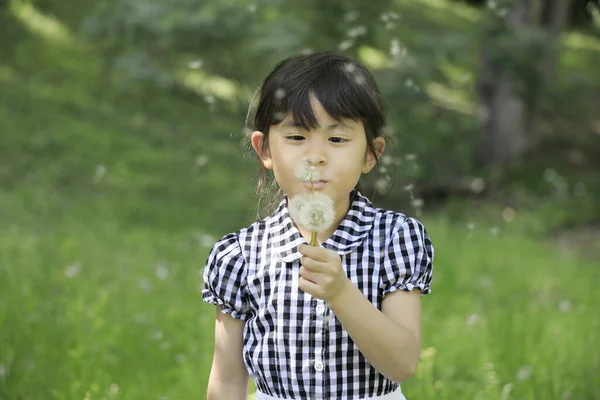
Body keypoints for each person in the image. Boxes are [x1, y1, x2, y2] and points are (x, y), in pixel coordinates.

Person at [202, 51, 434, 400]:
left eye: (337, 139)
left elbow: (402, 364)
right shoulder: (239, 256)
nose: (316, 156)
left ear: (371, 154)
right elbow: (227, 381)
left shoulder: (395, 239)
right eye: (296, 137)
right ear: (264, 149)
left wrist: (341, 293)